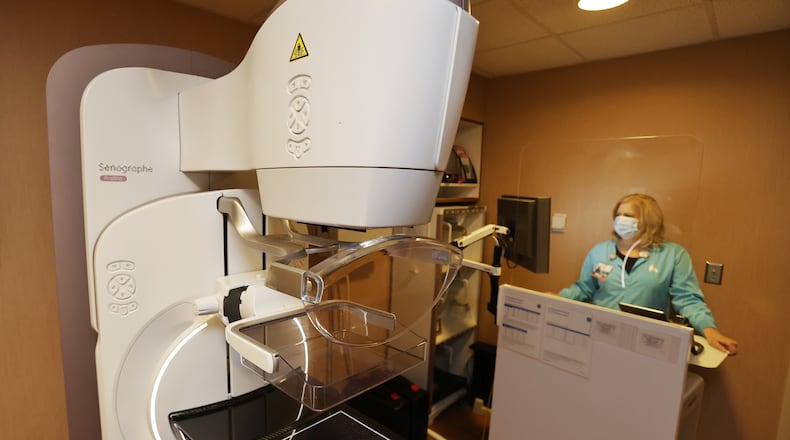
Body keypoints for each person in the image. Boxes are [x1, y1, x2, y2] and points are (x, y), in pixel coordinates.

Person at [558, 193, 738, 355]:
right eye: (618, 215)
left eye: (628, 215)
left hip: (648, 342)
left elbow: (687, 299)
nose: (620, 220)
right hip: (601, 334)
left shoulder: (673, 255)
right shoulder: (599, 251)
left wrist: (708, 329)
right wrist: (556, 299)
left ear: (648, 220)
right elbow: (584, 288)